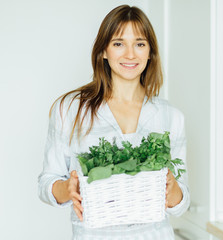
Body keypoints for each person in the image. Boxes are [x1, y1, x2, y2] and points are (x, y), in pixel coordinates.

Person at [38, 5, 190, 240]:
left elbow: (181, 203)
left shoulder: (170, 116)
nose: (130, 54)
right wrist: (67, 189)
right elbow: (47, 183)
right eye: (119, 43)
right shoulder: (71, 109)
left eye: (140, 44)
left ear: (150, 52)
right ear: (104, 52)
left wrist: (173, 190)